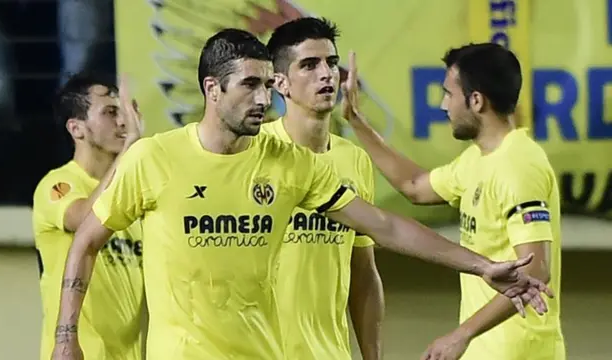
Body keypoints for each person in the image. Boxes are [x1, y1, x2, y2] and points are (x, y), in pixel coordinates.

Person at [52, 30, 552, 360]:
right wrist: (65, 337)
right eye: (249, 85)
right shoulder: (153, 158)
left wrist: (481, 266)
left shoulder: (293, 165)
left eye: (267, 85)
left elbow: (384, 225)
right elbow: (86, 241)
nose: (263, 98)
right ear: (212, 89)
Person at [341, 43, 564, 360]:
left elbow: (536, 271)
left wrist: (461, 334)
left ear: (476, 100)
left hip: (520, 351)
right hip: (487, 350)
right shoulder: (478, 159)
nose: (443, 105)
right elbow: (415, 187)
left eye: (448, 93)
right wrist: (356, 121)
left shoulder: (518, 166)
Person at [263, 17, 383, 360]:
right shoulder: (255, 152)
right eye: (309, 65)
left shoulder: (354, 161)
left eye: (331, 62)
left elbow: (363, 272)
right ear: (280, 83)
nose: (327, 73)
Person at [32, 72, 145, 360]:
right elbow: (85, 219)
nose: (123, 122)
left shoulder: (136, 194)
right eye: (110, 112)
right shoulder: (57, 185)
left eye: (125, 112)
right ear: (77, 129)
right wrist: (131, 145)